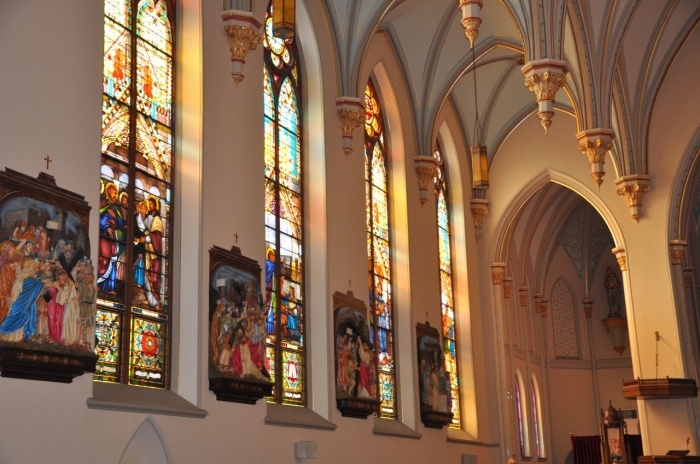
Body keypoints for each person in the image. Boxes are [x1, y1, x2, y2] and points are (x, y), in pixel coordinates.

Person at [0, 258, 44, 342]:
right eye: (33, 266)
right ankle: (15, 337)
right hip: (22, 304)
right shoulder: (28, 279)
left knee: (16, 318)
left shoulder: (21, 276)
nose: (35, 268)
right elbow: (37, 286)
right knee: (19, 318)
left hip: (18, 303)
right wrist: (45, 284)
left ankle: (15, 337)